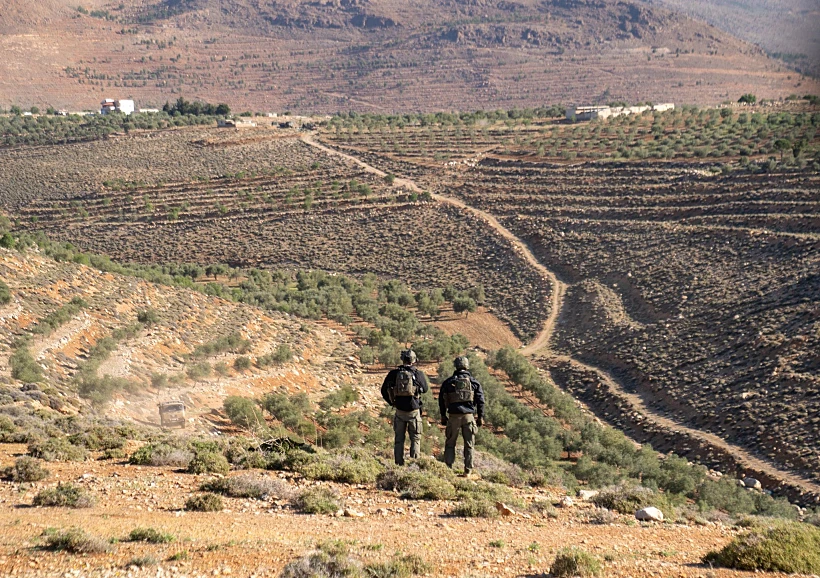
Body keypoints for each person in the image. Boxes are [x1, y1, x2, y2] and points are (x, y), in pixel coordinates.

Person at [381, 349, 429, 465]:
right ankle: (414, 465)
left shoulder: (394, 373)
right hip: (414, 411)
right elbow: (425, 389)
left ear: (402, 359)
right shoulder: (418, 374)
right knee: (415, 439)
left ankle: (399, 464)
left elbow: (383, 390)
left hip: (399, 411)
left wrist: (392, 402)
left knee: (399, 440)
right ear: (414, 360)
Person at [438, 355, 485, 475]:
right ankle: (468, 471)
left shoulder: (449, 382)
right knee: (469, 444)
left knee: (450, 444)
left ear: (456, 366)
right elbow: (480, 401)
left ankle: (448, 469)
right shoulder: (474, 382)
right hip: (468, 416)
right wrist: (480, 417)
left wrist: (443, 415)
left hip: (453, 417)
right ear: (467, 366)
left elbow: (441, 400)